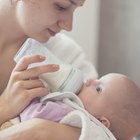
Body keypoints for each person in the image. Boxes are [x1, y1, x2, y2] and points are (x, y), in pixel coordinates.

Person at [0, 0, 98, 139]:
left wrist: (41, 129)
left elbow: (108, 129)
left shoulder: (66, 57)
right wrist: (4, 107)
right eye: (61, 7)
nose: (68, 26)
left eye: (75, 10)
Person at [2, 73, 140, 140]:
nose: (90, 80)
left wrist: (34, 96)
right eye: (98, 79)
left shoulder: (72, 114)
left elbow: (31, 116)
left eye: (98, 89)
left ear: (102, 121)